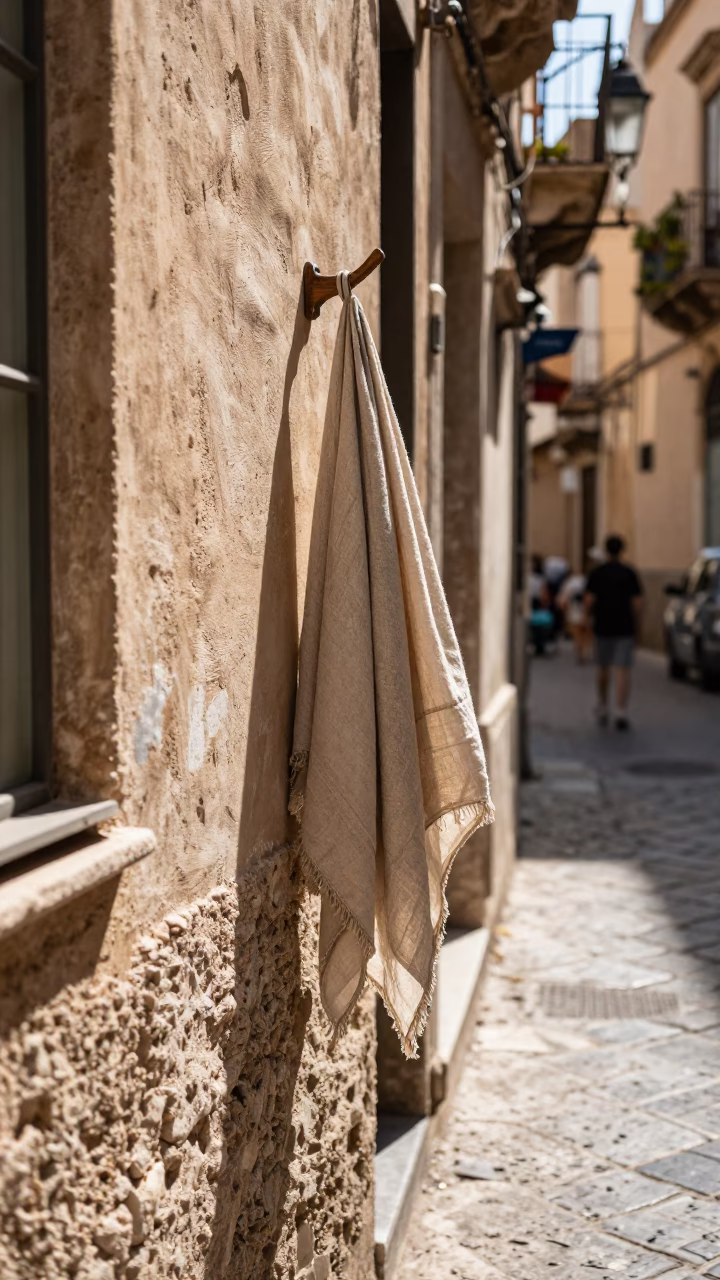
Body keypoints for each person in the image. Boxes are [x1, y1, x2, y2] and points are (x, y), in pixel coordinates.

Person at [584, 534, 643, 730]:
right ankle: (621, 710)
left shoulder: (597, 573)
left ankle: (602, 705)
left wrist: (586, 620)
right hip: (625, 627)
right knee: (623, 670)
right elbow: (637, 603)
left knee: (603, 667)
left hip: (603, 625)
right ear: (622, 550)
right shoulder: (630, 573)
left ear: (606, 550)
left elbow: (589, 600)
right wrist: (638, 626)